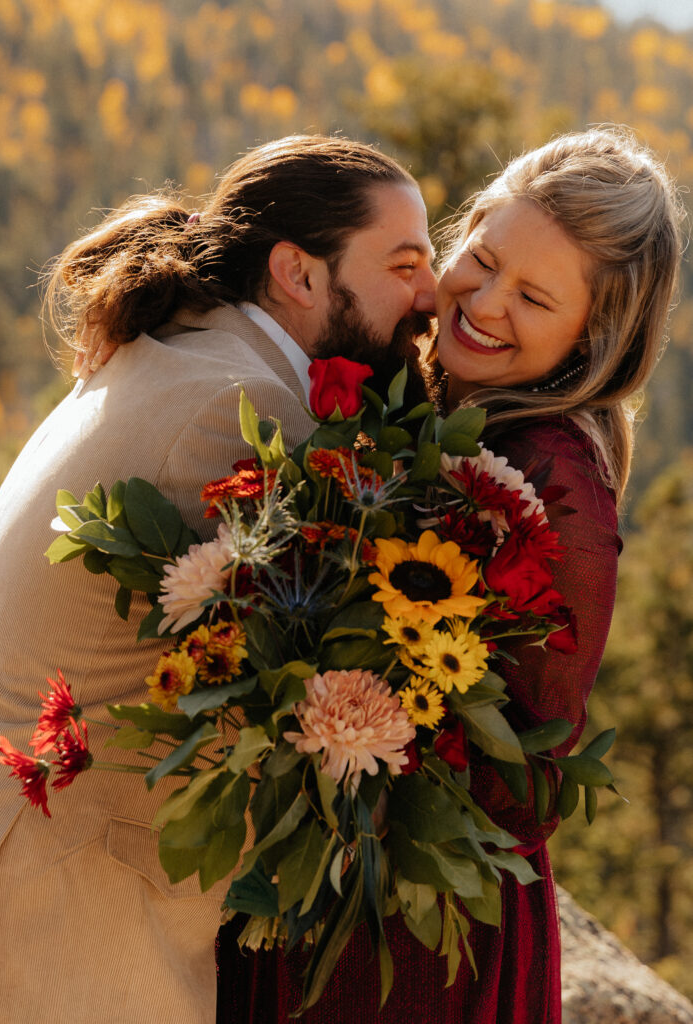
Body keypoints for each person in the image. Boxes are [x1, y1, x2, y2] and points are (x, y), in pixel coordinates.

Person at [214, 127, 684, 1022]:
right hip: (333, 870)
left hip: (419, 929)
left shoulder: (556, 481)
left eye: (535, 297)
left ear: (593, 340)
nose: (485, 301)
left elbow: (524, 779)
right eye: (482, 256)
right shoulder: (431, 395)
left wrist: (342, 720)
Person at [0, 134, 437, 1022]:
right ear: (298, 274)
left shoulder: (182, 350)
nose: (430, 293)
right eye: (404, 263)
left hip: (31, 858)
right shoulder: (243, 408)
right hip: (67, 913)